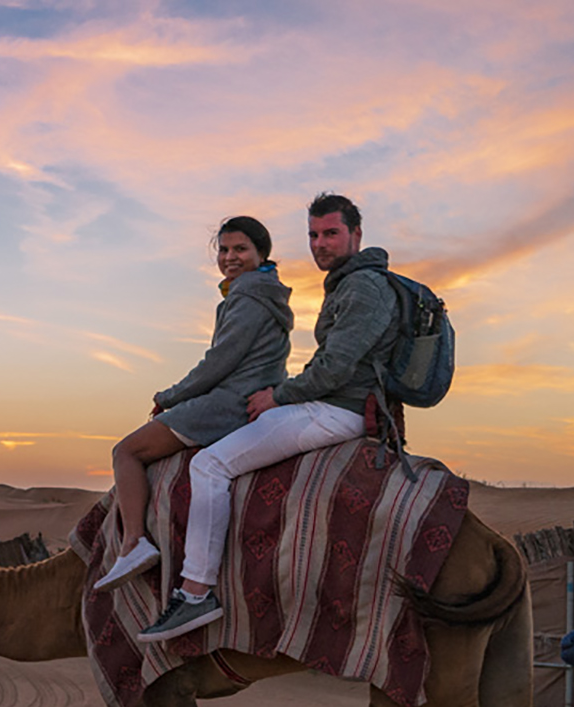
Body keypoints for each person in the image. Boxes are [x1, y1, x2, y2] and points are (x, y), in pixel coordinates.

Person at [137, 192, 398, 643]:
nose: (321, 244)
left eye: (331, 234)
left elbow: (333, 370)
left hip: (341, 410)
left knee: (209, 464)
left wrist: (280, 395)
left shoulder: (362, 288)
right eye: (314, 235)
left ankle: (196, 593)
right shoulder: (348, 284)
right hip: (337, 403)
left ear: (356, 235)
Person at [92, 215, 294, 592]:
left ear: (260, 253)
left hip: (228, 402)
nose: (230, 257)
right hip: (248, 395)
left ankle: (133, 543)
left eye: (240, 249)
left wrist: (169, 396)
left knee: (126, 452)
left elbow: (220, 361)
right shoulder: (266, 293)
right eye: (224, 249)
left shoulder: (248, 295)